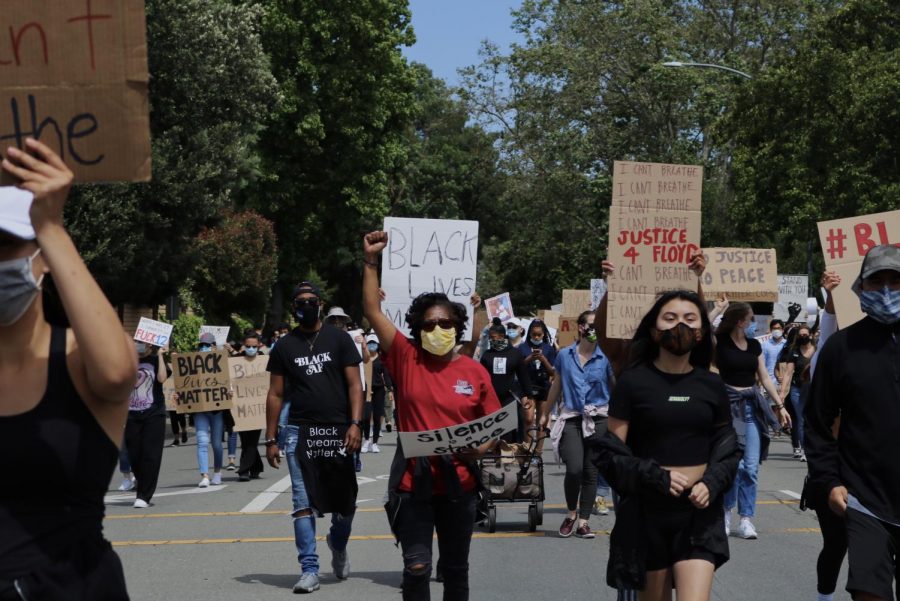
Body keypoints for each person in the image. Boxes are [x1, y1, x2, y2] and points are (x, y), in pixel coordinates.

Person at [0, 138, 137, 598]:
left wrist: (52, 226)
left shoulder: (80, 359)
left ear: (43, 257)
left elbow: (118, 373)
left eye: (7, 244)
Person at [362, 230, 501, 601]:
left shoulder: (474, 371)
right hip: (414, 486)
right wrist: (371, 261)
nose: (436, 329)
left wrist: (482, 446)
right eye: (428, 324)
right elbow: (373, 311)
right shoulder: (407, 358)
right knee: (416, 567)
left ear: (457, 327)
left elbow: (495, 426)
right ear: (417, 330)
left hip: (460, 487)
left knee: (455, 571)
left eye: (444, 323)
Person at [594, 290, 740, 599]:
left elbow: (728, 447)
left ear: (701, 332)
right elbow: (610, 453)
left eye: (690, 319)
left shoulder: (712, 384)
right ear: (653, 330)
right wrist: (654, 476)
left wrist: (711, 483)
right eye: (670, 318)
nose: (680, 326)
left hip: (699, 513)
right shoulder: (633, 382)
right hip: (649, 512)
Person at [807, 245, 900, 601]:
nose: (888, 290)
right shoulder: (840, 348)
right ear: (862, 289)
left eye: (896, 280)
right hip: (865, 500)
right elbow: (817, 421)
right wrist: (829, 481)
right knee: (869, 593)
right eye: (878, 282)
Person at [265, 281, 363, 594]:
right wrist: (271, 438)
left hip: (338, 430)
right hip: (299, 432)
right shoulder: (284, 346)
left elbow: (354, 386)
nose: (304, 306)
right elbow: (275, 393)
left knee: (345, 505)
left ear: (319, 303)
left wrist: (356, 423)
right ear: (294, 307)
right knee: (302, 503)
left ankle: (337, 542)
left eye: (310, 300)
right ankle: (309, 569)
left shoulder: (340, 339)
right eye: (299, 302)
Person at [715, 303, 791, 540]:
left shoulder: (755, 345)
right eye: (751, 319)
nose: (754, 324)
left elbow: (765, 377)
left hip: (751, 407)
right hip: (728, 408)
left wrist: (780, 405)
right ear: (740, 322)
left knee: (750, 467)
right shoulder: (721, 342)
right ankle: (726, 513)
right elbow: (701, 331)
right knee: (734, 466)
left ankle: (746, 519)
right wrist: (718, 309)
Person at [540, 309, 615, 537]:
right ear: (581, 327)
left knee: (591, 472)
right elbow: (557, 385)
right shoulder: (564, 355)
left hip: (599, 418)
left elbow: (616, 386)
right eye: (591, 325)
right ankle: (571, 512)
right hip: (572, 417)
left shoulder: (606, 357)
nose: (595, 330)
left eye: (598, 325)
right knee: (574, 469)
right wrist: (545, 413)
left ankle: (583, 522)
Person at [802, 271, 845, 601]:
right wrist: (831, 295)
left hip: (878, 466)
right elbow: (829, 328)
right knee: (836, 542)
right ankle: (825, 596)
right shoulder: (830, 358)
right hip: (834, 467)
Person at [124, 341, 170, 508]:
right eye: (137, 342)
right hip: (131, 414)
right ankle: (141, 484)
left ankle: (144, 495)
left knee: (151, 454)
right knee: (134, 454)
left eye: (142, 343)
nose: (139, 346)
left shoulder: (155, 360)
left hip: (154, 413)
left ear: (150, 346)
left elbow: (162, 378)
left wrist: (160, 356)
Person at [480, 318, 533, 443]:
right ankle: (493, 456)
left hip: (509, 397)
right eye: (490, 338)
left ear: (502, 336)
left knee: (507, 431)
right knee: (490, 430)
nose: (492, 340)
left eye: (494, 337)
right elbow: (481, 377)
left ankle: (507, 457)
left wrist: (528, 395)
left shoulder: (514, 354)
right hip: (491, 397)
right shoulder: (487, 355)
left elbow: (523, 375)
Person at [188, 332, 225, 488]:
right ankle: (204, 475)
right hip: (200, 410)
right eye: (201, 345)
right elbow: (186, 384)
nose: (204, 348)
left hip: (217, 411)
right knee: (202, 442)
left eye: (207, 345)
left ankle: (217, 472)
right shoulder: (192, 364)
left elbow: (227, 383)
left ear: (214, 347)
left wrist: (229, 392)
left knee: (216, 443)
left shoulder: (222, 364)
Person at [777, 323, 815, 461]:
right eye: (801, 335)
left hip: (813, 390)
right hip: (797, 390)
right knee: (801, 419)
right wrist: (782, 392)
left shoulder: (817, 350)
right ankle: (804, 450)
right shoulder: (795, 351)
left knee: (813, 420)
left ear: (810, 335)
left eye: (806, 334)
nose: (803, 337)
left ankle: (814, 447)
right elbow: (788, 373)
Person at [519, 318, 557, 450]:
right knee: (528, 418)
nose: (536, 337)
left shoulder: (548, 348)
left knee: (542, 420)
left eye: (539, 335)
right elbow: (518, 368)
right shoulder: (522, 348)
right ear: (529, 333)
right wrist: (529, 359)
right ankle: (527, 448)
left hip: (544, 386)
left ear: (543, 334)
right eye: (533, 334)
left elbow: (553, 372)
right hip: (527, 387)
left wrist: (543, 359)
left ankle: (538, 451)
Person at [233, 331, 265, 482]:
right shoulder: (235, 362)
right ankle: (257, 466)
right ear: (243, 345)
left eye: (254, 346)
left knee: (252, 439)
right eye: (248, 346)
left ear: (259, 345)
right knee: (246, 440)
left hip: (258, 408)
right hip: (240, 408)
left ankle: (243, 470)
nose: (251, 348)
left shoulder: (265, 361)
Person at [362, 333, 392, 453]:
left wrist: (389, 389)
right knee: (366, 417)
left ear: (377, 345)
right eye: (369, 343)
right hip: (367, 390)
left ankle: (374, 443)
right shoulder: (363, 359)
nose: (372, 345)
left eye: (374, 343)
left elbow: (387, 375)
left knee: (377, 416)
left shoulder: (381, 360)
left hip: (379, 390)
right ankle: (366, 441)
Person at [761, 318, 786, 387]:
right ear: (771, 330)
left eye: (778, 328)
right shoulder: (765, 345)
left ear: (783, 330)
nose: (776, 330)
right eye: (774, 328)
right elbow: (762, 364)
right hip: (769, 381)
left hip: (784, 381)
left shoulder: (787, 345)